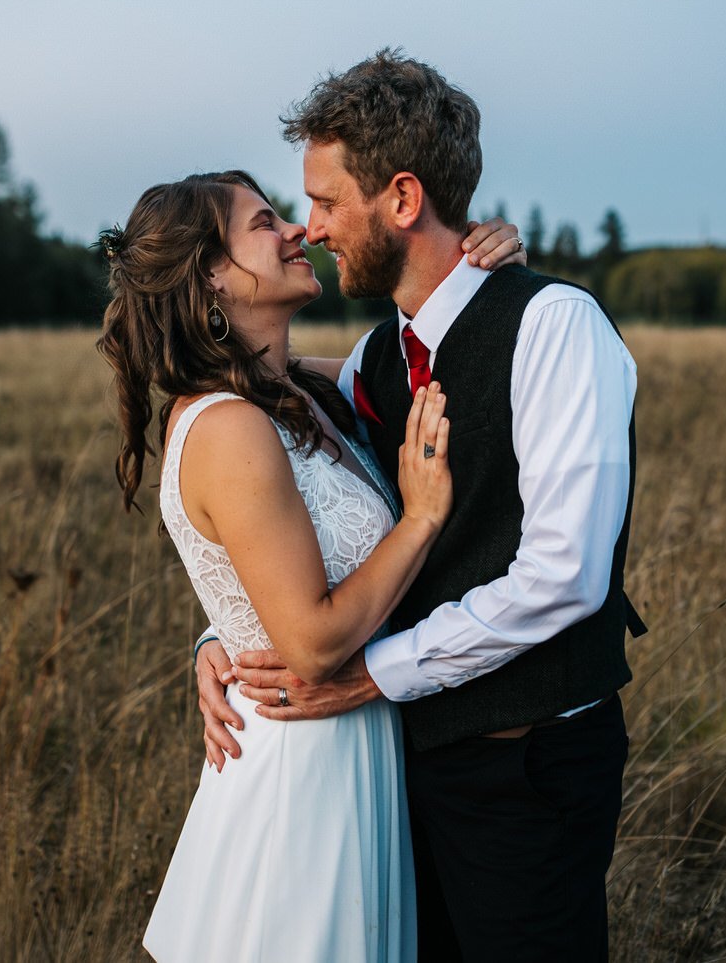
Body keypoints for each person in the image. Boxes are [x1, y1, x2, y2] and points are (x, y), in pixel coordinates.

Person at [197, 50, 645, 961]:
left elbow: (564, 575)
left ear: (403, 200)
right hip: (403, 772)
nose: (311, 227)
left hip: (524, 771)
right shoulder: (374, 363)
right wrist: (222, 635)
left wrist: (373, 674)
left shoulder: (556, 326)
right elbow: (305, 508)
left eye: (325, 201)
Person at [96, 170, 524, 961]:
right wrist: (422, 515)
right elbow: (314, 643)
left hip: (354, 752)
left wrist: (474, 264)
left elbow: (433, 351)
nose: (297, 230)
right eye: (265, 223)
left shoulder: (296, 388)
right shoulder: (227, 427)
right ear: (214, 278)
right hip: (301, 776)